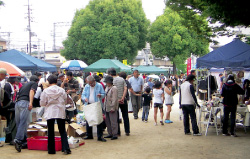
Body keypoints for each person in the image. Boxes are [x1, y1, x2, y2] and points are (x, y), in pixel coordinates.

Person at [40, 75, 71, 155]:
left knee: (50, 131)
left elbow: (42, 103)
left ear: (48, 82)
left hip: (50, 111)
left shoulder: (45, 91)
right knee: (62, 130)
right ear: (56, 81)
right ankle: (66, 148)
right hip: (60, 110)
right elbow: (65, 99)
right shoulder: (61, 90)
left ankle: (51, 150)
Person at [14, 75, 39, 152]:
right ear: (36, 81)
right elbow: (32, 91)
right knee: (23, 122)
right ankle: (18, 140)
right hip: (25, 103)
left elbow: (17, 95)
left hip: (18, 104)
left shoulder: (24, 85)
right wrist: (31, 103)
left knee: (19, 123)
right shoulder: (34, 83)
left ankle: (24, 140)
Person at [81, 75, 106, 142]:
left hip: (97, 104)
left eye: (92, 83)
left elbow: (104, 94)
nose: (91, 85)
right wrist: (84, 98)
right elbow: (83, 95)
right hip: (89, 104)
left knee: (99, 120)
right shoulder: (86, 86)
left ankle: (100, 136)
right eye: (90, 83)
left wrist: (100, 95)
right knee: (88, 119)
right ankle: (89, 134)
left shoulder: (99, 85)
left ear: (94, 81)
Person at [109, 68, 130, 136]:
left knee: (116, 116)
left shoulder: (111, 80)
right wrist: (123, 97)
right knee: (125, 115)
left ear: (110, 74)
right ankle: (127, 131)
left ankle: (118, 132)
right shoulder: (122, 79)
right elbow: (125, 88)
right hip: (123, 100)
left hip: (115, 101)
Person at [103, 75, 119, 140]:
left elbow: (114, 99)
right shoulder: (107, 87)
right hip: (107, 106)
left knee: (113, 121)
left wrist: (113, 107)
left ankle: (115, 134)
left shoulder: (114, 88)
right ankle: (110, 133)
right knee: (108, 121)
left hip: (112, 107)